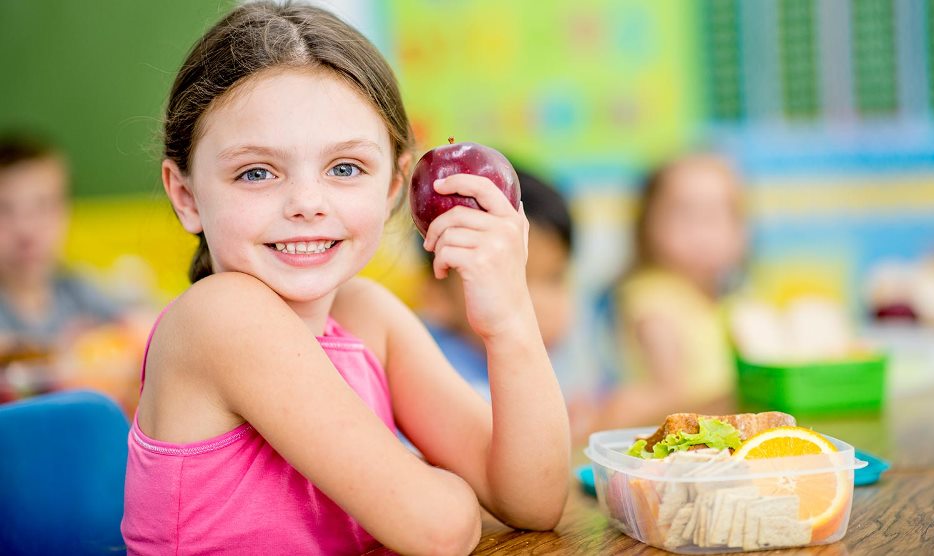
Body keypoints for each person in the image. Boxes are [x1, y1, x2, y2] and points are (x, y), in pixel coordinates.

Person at [121, 3, 570, 555]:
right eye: (256, 172)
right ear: (186, 195)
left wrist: (510, 318)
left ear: (392, 188)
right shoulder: (221, 317)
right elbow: (439, 530)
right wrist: (438, 484)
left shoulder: (365, 315)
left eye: (345, 168)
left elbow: (536, 500)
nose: (307, 203)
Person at [574, 152, 746, 441]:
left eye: (719, 214)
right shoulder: (652, 299)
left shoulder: (728, 299)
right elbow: (669, 392)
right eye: (686, 213)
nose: (704, 229)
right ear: (648, 223)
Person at [420, 167, 575, 401]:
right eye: (512, 277)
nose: (541, 304)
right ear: (437, 292)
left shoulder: (535, 364)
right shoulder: (440, 378)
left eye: (554, 278)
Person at [0, 134, 123, 399]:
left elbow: (142, 324)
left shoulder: (76, 290)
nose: (26, 230)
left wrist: (97, 343)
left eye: (43, 206)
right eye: (4, 210)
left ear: (64, 214)